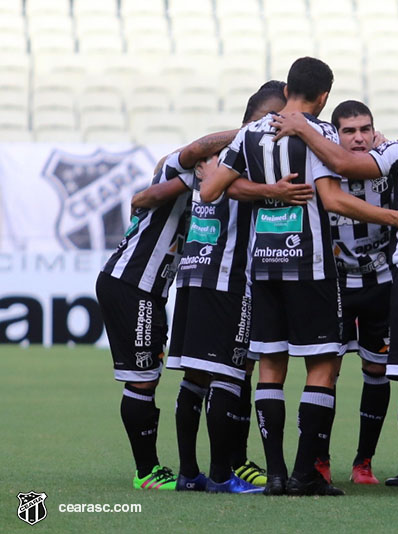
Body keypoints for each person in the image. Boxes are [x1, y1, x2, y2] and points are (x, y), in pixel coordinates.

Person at [201, 57, 398, 497]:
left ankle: (274, 475)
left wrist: (266, 193)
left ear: (288, 87)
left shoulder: (250, 133)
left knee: (271, 364)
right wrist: (395, 217)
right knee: (322, 366)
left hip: (263, 265)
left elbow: (211, 189)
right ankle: (302, 473)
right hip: (310, 264)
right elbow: (333, 200)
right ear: (324, 97)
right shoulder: (321, 134)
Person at [161, 81, 299, 493]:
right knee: (229, 374)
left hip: (193, 277)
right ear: (258, 118)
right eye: (275, 116)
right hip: (229, 281)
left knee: (195, 377)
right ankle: (224, 474)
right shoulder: (247, 157)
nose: (281, 124)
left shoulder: (206, 158)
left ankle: (190, 474)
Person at [95, 128, 239, 490]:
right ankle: (146, 472)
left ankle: (152, 469)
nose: (210, 165)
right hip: (132, 284)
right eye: (207, 160)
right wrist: (247, 131)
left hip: (149, 290)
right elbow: (155, 189)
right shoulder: (178, 172)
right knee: (142, 378)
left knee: (149, 374)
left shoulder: (206, 190)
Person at [324, 100, 393, 485]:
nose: (359, 137)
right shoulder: (321, 166)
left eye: (365, 129)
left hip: (380, 284)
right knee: (325, 372)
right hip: (333, 286)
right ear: (335, 135)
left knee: (377, 369)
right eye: (349, 131)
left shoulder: (390, 163)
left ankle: (363, 463)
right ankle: (319, 460)